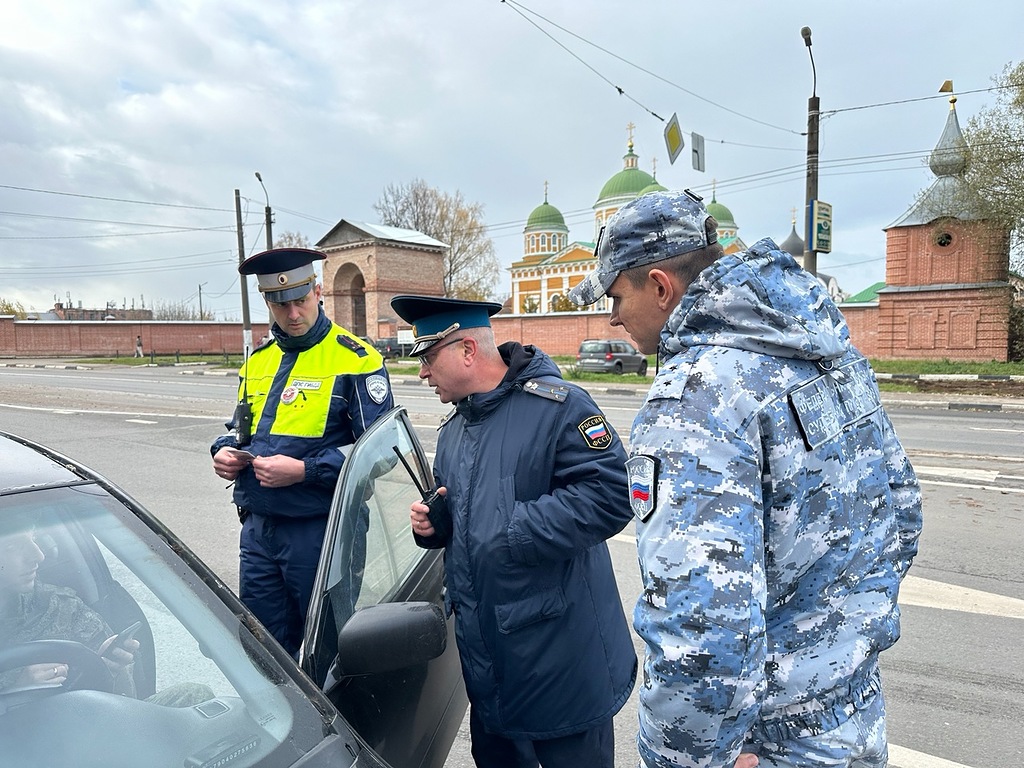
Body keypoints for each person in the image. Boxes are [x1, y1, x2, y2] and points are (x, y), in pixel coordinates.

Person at [568, 189, 923, 768]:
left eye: (616, 294)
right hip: (855, 710)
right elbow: (903, 510)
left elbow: (703, 624)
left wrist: (686, 759)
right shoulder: (828, 352)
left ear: (661, 287)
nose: (611, 317)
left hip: (772, 739)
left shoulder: (695, 400)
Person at [390, 295, 636, 768]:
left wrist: (510, 530)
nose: (422, 372)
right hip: (491, 670)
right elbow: (462, 510)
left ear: (466, 350)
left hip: (561, 668)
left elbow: (611, 494)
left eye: (427, 356)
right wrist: (436, 523)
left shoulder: (559, 408)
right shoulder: (455, 429)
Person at [211, 248, 393, 656]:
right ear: (267, 303)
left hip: (322, 530)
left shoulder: (355, 359)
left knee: (324, 650)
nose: (292, 314)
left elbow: (380, 452)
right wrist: (222, 451)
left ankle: (331, 723)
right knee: (263, 650)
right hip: (259, 531)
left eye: (300, 300)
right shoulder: (258, 361)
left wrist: (305, 471)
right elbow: (241, 431)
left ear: (318, 290)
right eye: (280, 304)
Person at [0, 515, 210, 706]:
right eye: (13, 546)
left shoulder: (61, 606)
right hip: (22, 744)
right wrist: (16, 691)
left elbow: (127, 702)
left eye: (34, 539)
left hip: (90, 732)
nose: (38, 556)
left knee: (196, 695)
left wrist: (111, 668)